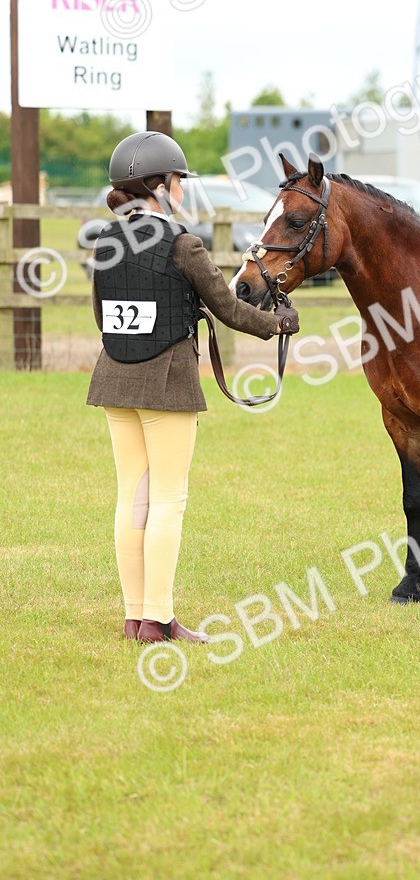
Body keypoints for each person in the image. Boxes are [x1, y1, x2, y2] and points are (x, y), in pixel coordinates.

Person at [86, 131, 298, 644]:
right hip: (167, 382)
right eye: (178, 179)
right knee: (168, 500)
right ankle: (159, 619)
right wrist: (278, 325)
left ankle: (135, 616)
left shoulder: (104, 242)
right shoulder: (184, 244)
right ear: (159, 186)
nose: (182, 188)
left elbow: (101, 313)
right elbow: (228, 310)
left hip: (113, 377)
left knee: (130, 499)